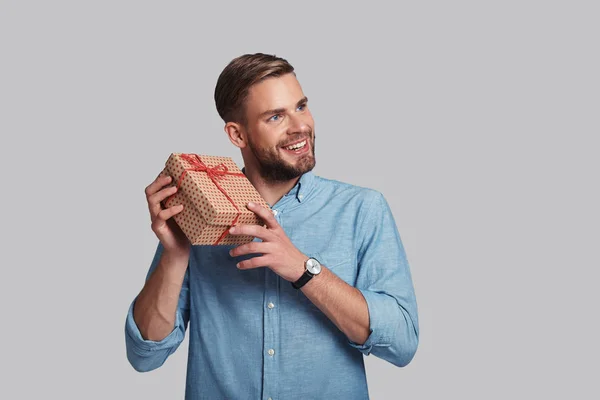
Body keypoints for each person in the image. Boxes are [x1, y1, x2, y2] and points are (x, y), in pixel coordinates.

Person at [125, 53, 419, 399]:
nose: (299, 126)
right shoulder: (200, 218)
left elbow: (401, 343)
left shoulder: (362, 210)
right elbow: (145, 355)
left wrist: (303, 270)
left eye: (301, 106)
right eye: (276, 116)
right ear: (237, 135)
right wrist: (174, 257)